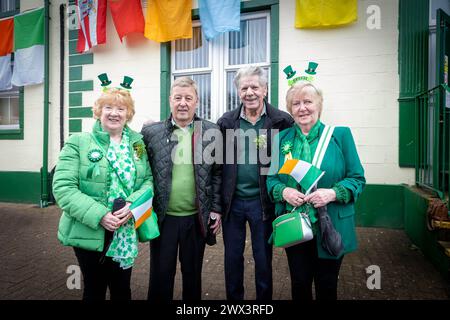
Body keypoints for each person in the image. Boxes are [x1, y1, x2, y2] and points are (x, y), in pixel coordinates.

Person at [53, 77, 155, 300]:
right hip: (90, 229)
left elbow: (148, 181)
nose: (114, 113)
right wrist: (100, 215)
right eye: (108, 107)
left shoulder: (137, 143)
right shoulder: (78, 142)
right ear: (98, 111)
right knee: (94, 289)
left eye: (121, 108)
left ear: (128, 114)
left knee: (122, 290)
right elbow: (63, 188)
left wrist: (132, 205)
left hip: (125, 230)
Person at [266, 81, 365, 300]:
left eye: (308, 102)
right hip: (295, 225)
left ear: (319, 105)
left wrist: (332, 193)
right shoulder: (282, 139)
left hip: (330, 224)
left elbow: (357, 179)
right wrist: (283, 192)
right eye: (296, 103)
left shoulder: (340, 136)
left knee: (327, 285)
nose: (302, 108)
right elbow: (271, 180)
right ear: (290, 109)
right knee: (299, 284)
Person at [141, 77, 222, 301]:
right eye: (178, 98)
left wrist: (216, 208)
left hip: (196, 220)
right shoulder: (151, 133)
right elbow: (141, 171)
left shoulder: (211, 131)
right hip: (163, 219)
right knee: (160, 277)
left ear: (197, 101)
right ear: (170, 101)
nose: (183, 103)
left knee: (192, 276)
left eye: (188, 98)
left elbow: (217, 173)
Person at [217, 66, 294, 300]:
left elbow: (290, 161)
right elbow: (218, 167)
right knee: (232, 258)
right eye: (244, 88)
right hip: (233, 203)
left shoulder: (281, 121)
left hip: (263, 203)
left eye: (254, 87)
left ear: (265, 90)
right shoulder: (226, 122)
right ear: (238, 92)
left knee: (263, 258)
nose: (249, 92)